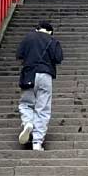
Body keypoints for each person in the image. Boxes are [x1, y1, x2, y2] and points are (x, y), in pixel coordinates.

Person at [16, 20, 62, 151]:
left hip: (29, 75)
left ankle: (28, 122)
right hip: (45, 76)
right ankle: (37, 142)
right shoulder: (52, 41)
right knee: (43, 109)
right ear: (50, 32)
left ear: (37, 29)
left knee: (26, 103)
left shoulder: (28, 37)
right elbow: (58, 58)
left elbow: (19, 55)